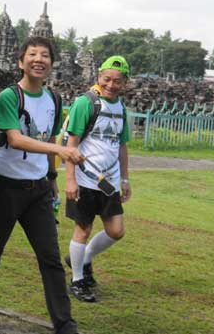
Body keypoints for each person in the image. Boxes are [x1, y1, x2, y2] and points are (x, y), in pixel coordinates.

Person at [0, 36, 84, 334]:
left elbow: (48, 139)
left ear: (51, 64)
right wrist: (60, 152)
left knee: (50, 258)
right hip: (4, 186)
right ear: (21, 61)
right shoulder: (10, 97)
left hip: (38, 190)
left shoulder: (54, 100)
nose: (39, 59)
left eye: (45, 55)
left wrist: (52, 178)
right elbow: (15, 138)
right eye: (32, 54)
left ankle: (65, 324)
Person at [64, 56, 132, 303]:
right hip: (85, 178)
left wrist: (125, 179)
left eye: (117, 81)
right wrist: (70, 179)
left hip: (110, 180)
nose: (111, 85)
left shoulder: (121, 108)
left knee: (116, 230)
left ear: (125, 82)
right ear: (99, 77)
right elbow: (71, 144)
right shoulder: (85, 103)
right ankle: (78, 280)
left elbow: (122, 146)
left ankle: (82, 259)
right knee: (83, 228)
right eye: (107, 79)